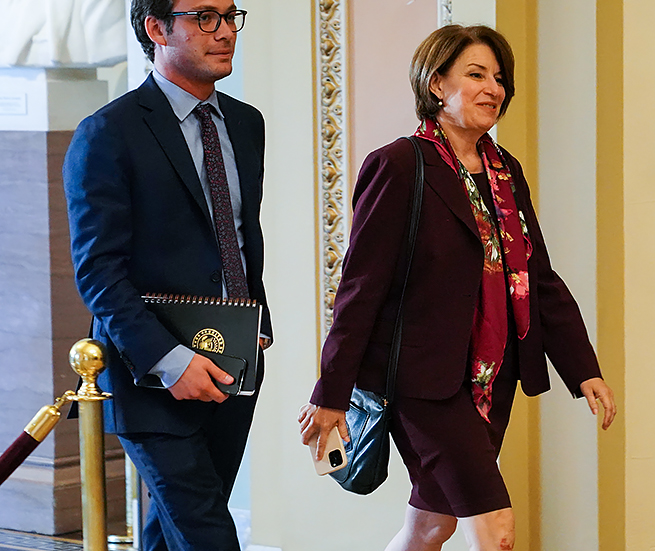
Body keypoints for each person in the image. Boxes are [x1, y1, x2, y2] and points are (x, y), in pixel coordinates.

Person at [298, 24, 617, 551]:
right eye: (476, 74)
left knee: (430, 526)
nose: (494, 88)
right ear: (436, 83)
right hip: (426, 386)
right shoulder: (399, 165)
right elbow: (360, 288)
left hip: (494, 380)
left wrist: (584, 368)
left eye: (499, 78)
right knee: (496, 531)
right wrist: (331, 393)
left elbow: (537, 277)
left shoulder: (505, 171)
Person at [63, 1, 271, 549]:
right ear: (157, 28)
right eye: (205, 17)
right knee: (208, 534)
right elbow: (98, 271)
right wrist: (171, 362)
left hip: (233, 363)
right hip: (151, 376)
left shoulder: (247, 124)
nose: (225, 31)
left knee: (174, 530)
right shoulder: (107, 133)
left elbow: (242, 232)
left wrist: (258, 319)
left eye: (230, 15)